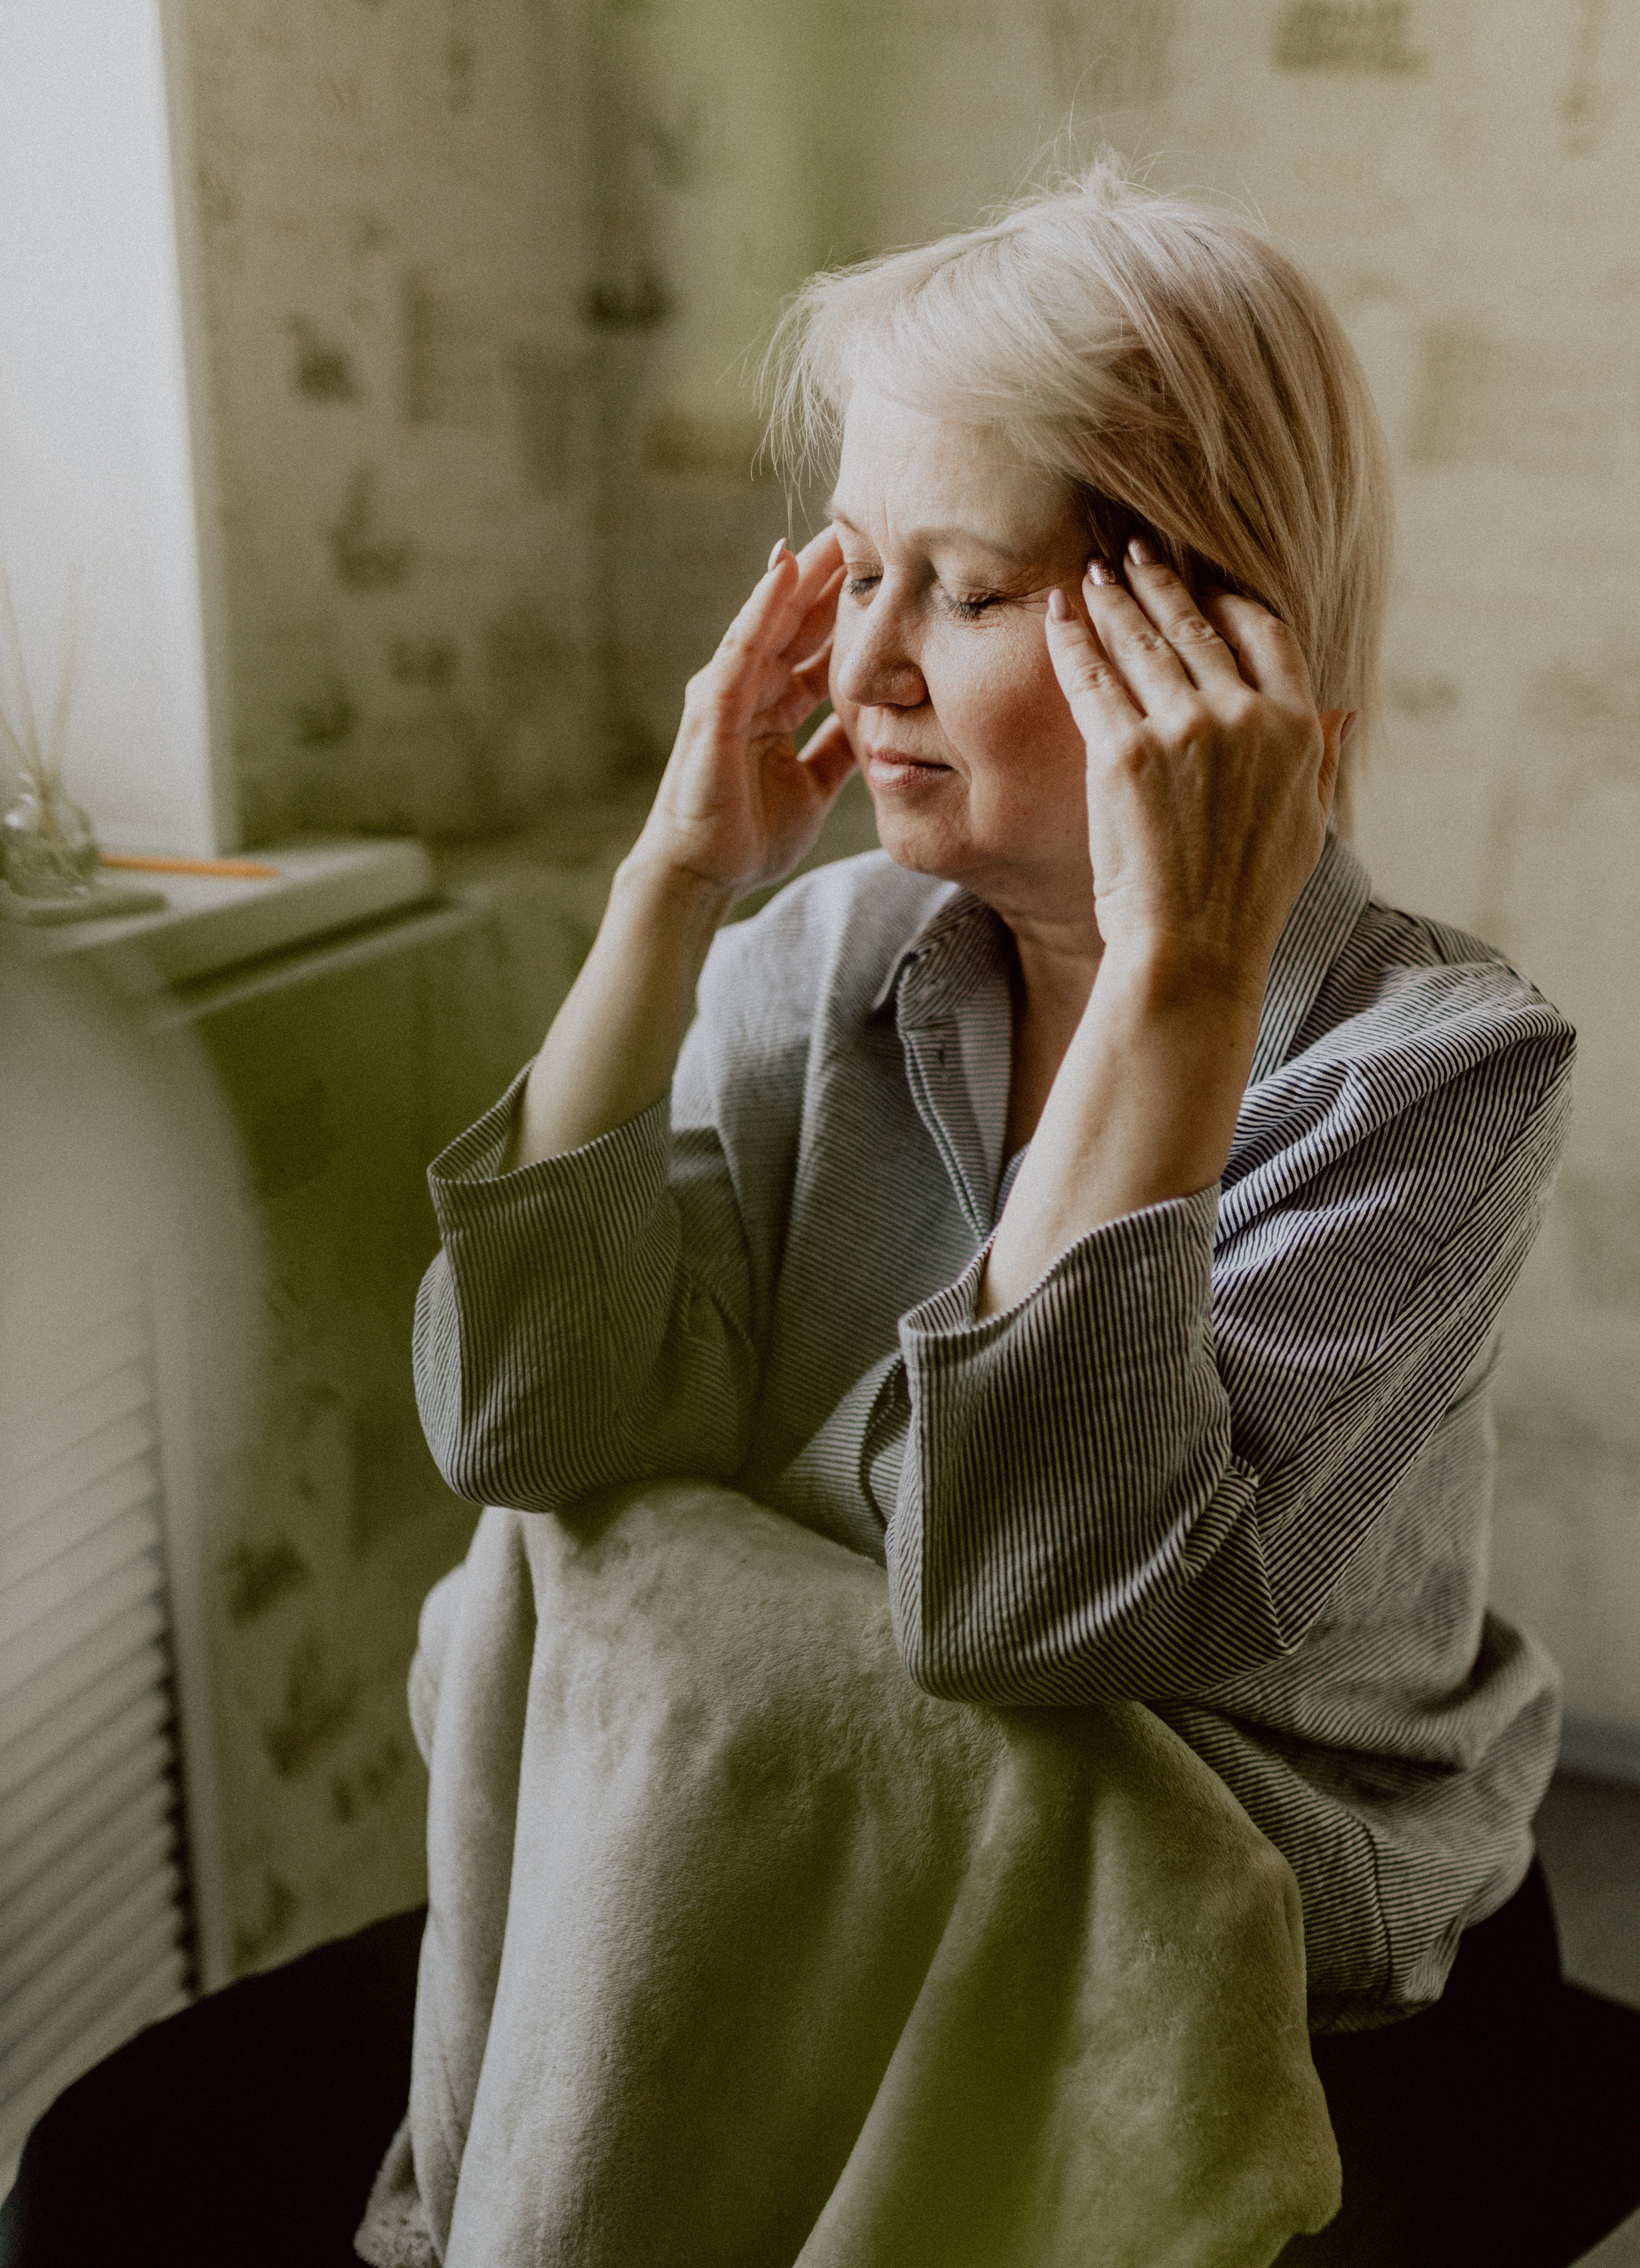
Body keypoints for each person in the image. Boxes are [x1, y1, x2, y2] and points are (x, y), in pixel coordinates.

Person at [9, 159, 1638, 2268]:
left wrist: (1178, 973)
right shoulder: (818, 952)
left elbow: (1024, 1614)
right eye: (845, 572)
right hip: (815, 1835)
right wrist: (666, 891)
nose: (855, 663)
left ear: (1214, 637)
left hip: (1237, 1910)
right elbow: (528, 1428)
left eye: (958, 591)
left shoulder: (1429, 1070)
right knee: (110, 2173)